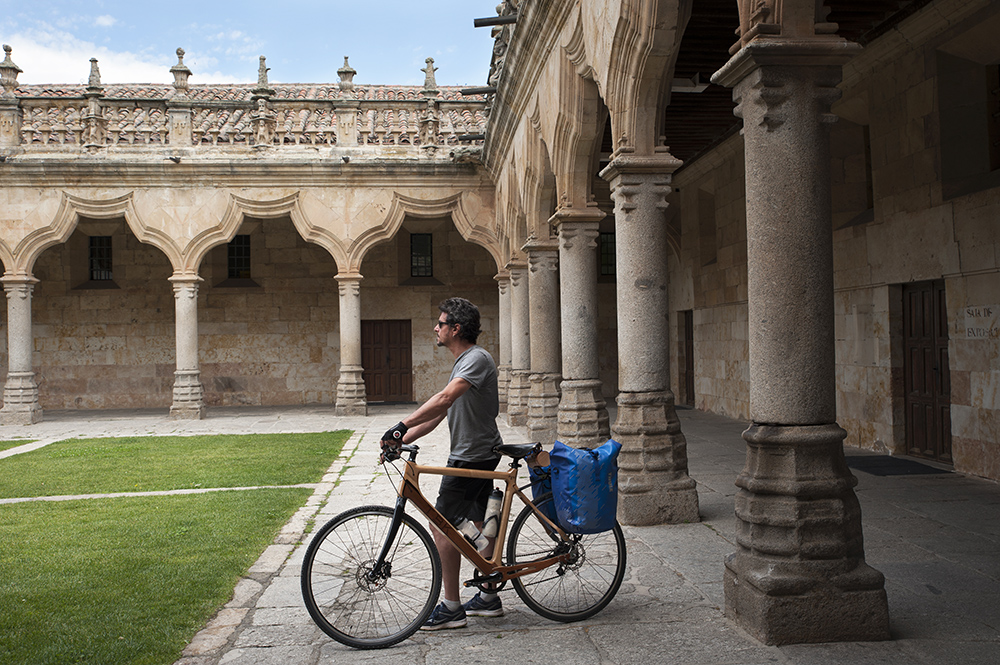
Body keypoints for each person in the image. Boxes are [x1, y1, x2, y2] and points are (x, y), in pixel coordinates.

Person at [379, 297, 504, 630]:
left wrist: (400, 425)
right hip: (477, 453)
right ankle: (489, 594)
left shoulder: (475, 359)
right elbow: (440, 413)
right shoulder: (465, 362)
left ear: (456, 328)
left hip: (472, 456)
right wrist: (401, 440)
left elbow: (444, 398)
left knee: (441, 524)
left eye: (441, 323)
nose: (436, 328)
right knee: (478, 523)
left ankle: (451, 607)